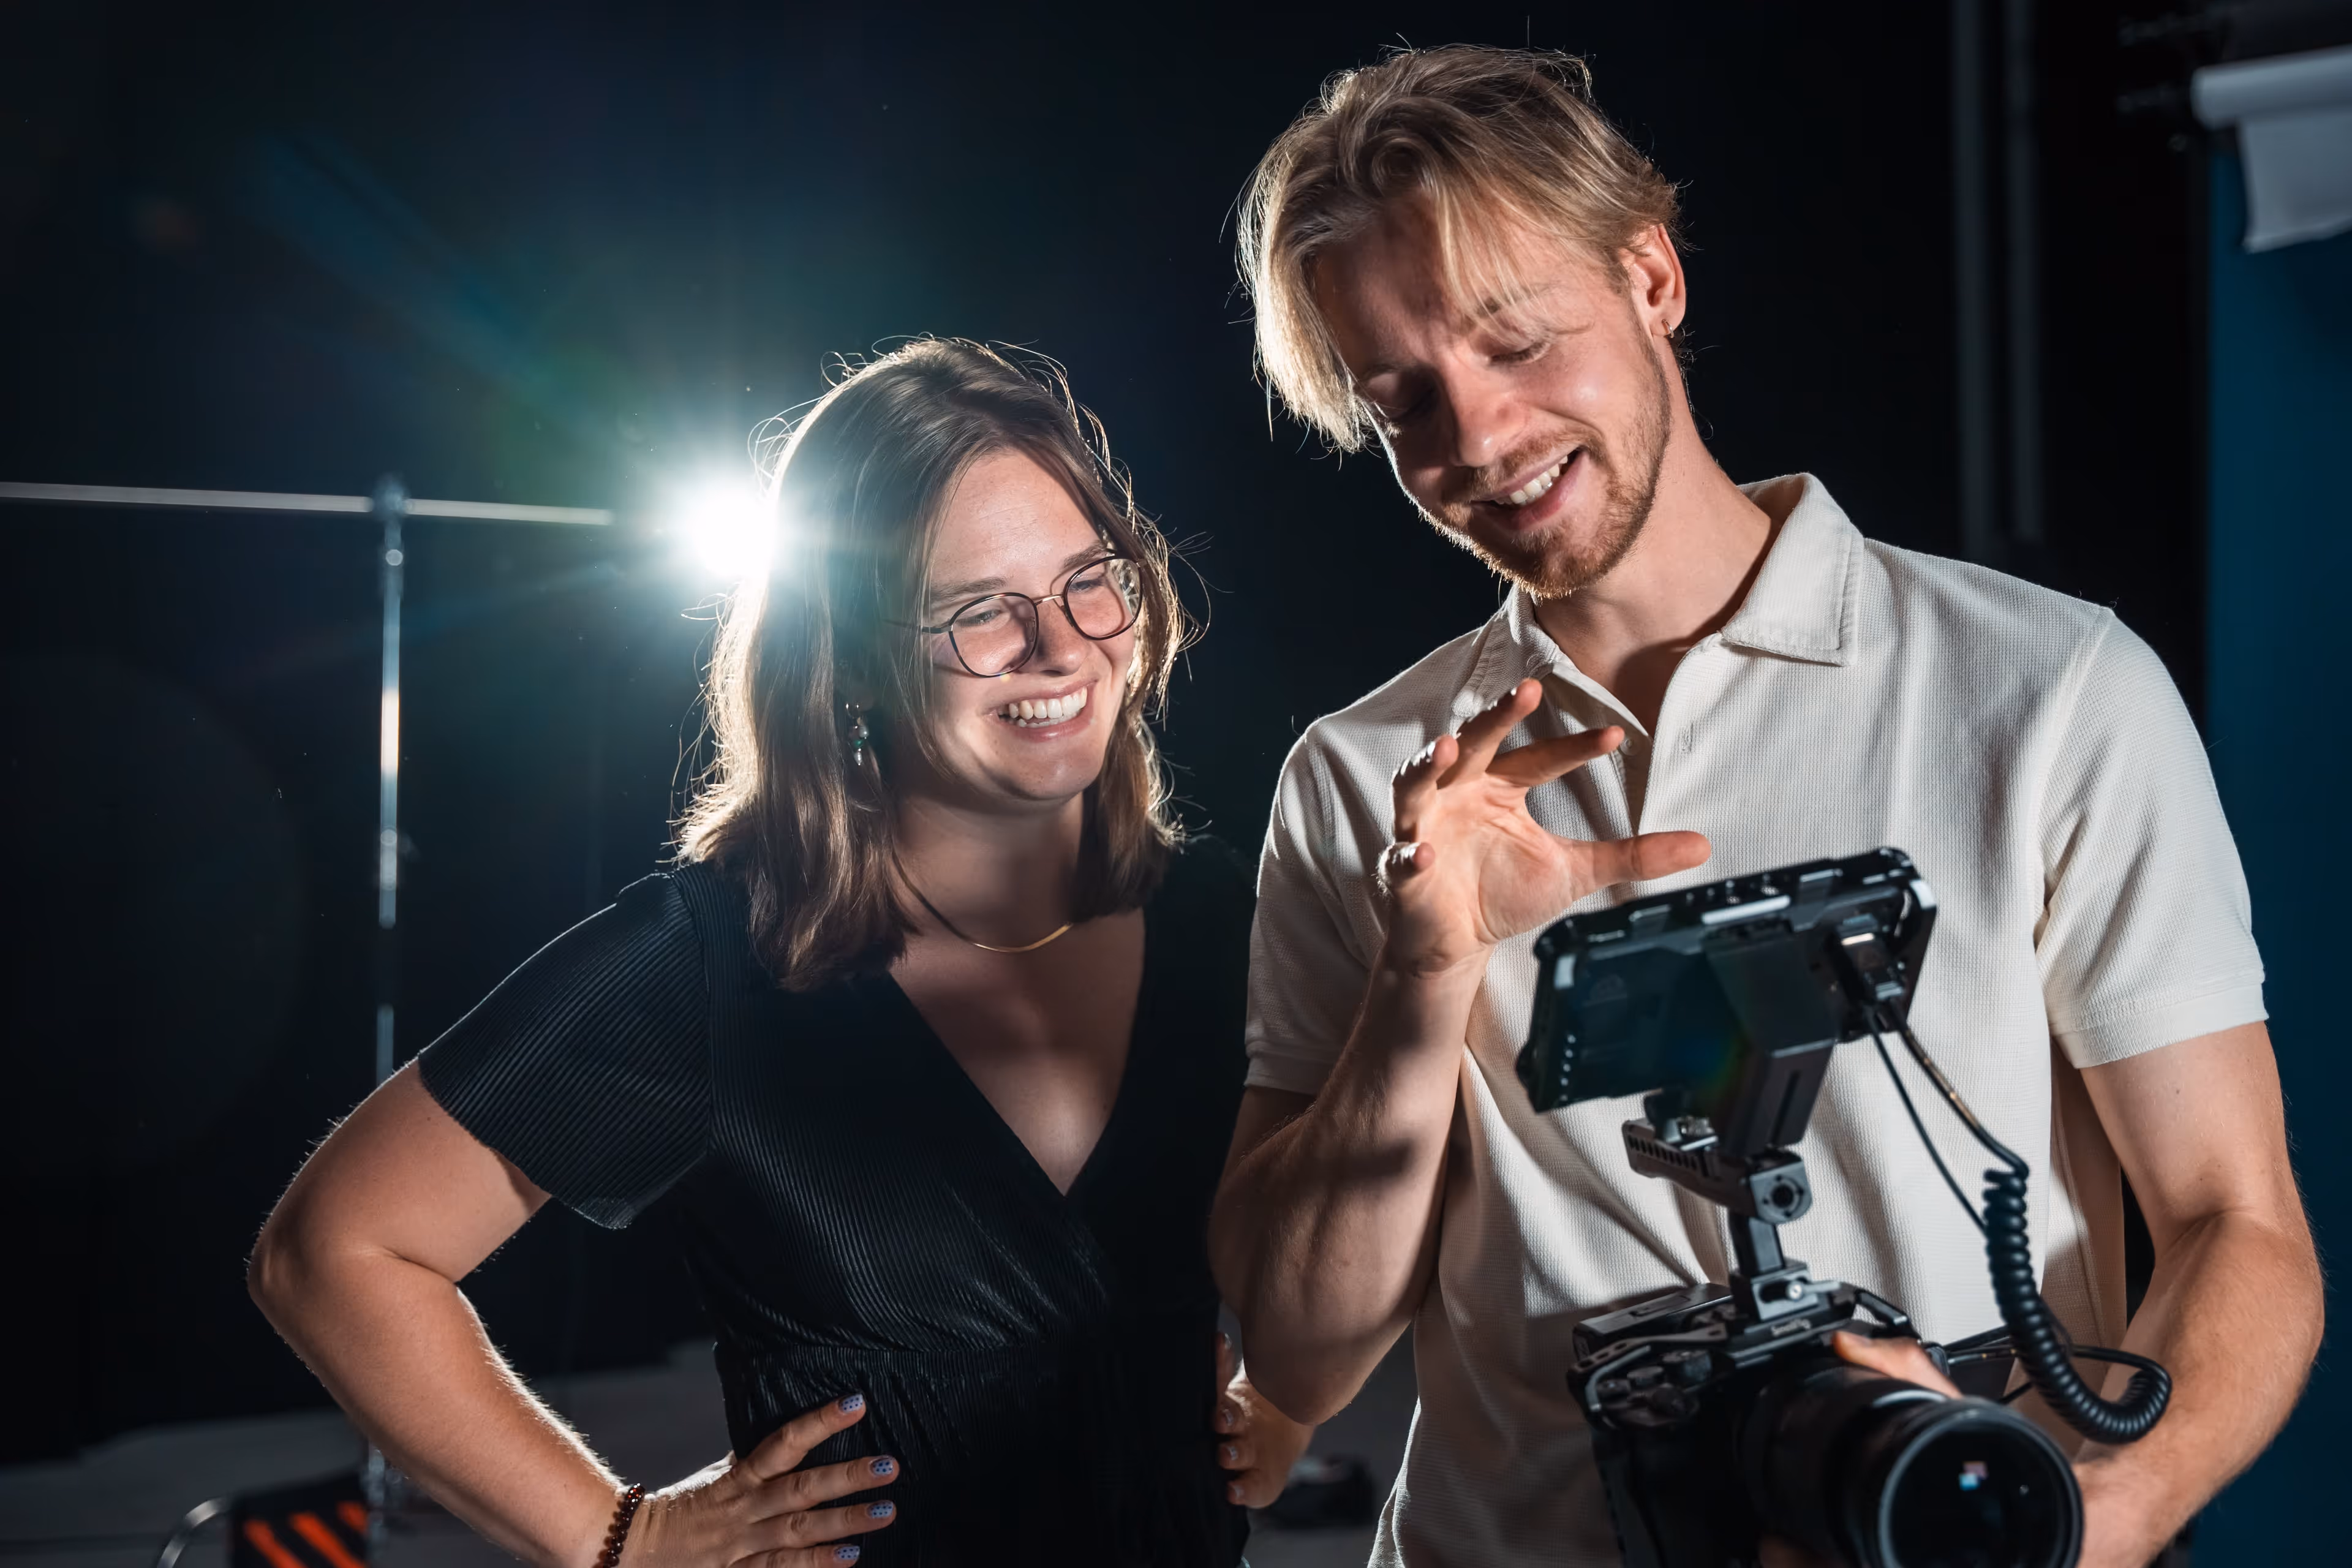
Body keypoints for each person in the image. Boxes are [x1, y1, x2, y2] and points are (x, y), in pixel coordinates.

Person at [1208, 46, 2320, 1568]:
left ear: (1652, 277)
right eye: (1403, 401)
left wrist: (2074, 1529)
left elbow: (2236, 1226)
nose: (1477, 438)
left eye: (1517, 340)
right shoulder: (1362, 774)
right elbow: (1297, 1349)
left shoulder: (2048, 688)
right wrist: (1425, 970)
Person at [250, 338, 1310, 1567]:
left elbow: (1375, 1197)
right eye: (980, 611)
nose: (1062, 645)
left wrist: (1299, 1389)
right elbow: (332, 1252)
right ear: (848, 656)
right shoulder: (712, 961)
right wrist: (622, 1537)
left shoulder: (1225, 921)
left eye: (1089, 579)